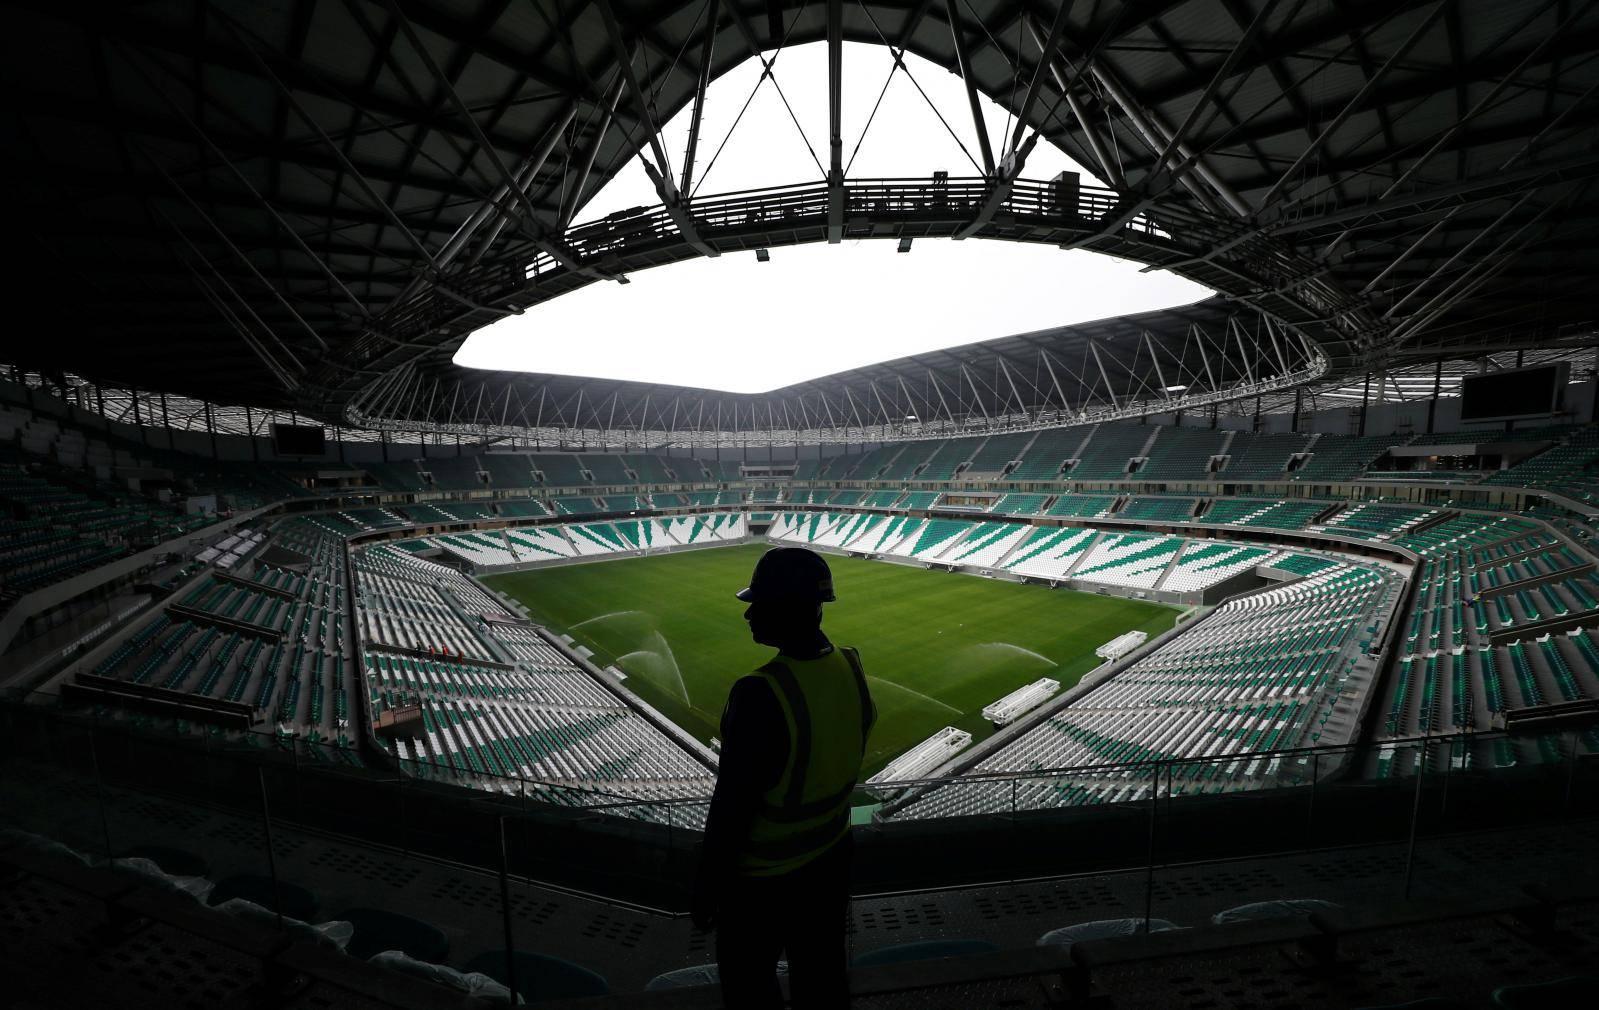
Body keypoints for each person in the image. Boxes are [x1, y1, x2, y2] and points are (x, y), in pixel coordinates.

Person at [691, 546, 876, 1009]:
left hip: (763, 881)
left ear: (792, 608)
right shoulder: (851, 664)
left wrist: (708, 886)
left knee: (749, 986)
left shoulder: (759, 692)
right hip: (832, 858)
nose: (750, 613)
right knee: (823, 977)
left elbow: (732, 804)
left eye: (761, 603)